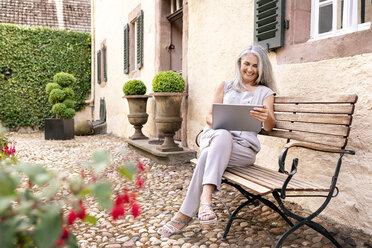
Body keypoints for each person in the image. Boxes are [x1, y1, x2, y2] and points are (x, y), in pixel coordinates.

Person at [157, 44, 276, 236]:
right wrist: (225, 124)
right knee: (222, 135)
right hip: (216, 136)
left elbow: (270, 125)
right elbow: (209, 117)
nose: (250, 69)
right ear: (240, 64)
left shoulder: (265, 93)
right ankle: (204, 203)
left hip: (243, 151)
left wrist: (266, 117)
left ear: (261, 68)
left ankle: (184, 215)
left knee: (207, 157)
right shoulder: (225, 86)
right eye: (247, 64)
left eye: (255, 65)